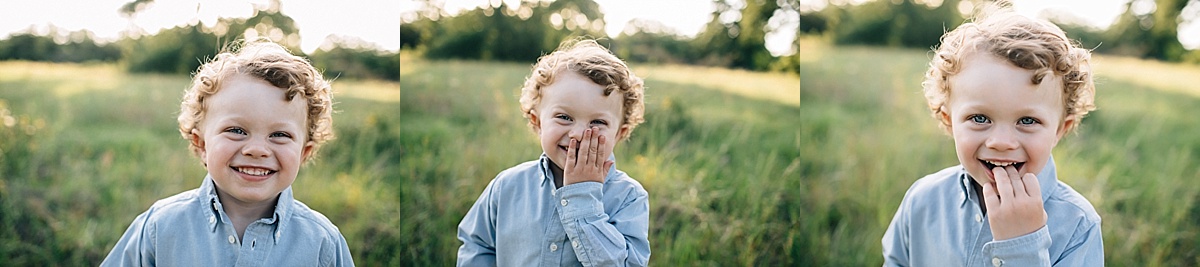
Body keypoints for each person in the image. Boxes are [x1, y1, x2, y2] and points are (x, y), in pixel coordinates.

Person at [882, 5, 1103, 266]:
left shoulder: (1078, 226)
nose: (1001, 142)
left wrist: (1022, 248)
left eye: (1028, 121)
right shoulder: (923, 200)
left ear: (1059, 130)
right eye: (979, 118)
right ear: (949, 121)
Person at [102, 39, 353, 266]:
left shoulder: (322, 243)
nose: (256, 150)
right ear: (201, 145)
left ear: (304, 153)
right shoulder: (160, 226)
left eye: (279, 135)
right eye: (236, 130)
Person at [456, 39, 651, 266]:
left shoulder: (628, 197)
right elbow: (477, 244)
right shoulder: (507, 186)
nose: (578, 134)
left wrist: (582, 198)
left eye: (597, 122)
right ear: (537, 122)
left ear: (620, 133)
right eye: (564, 117)